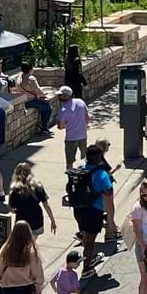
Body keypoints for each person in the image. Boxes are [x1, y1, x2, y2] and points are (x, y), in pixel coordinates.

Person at [73, 144, 115, 278]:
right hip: (94, 211)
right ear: (99, 158)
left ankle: (89, 259)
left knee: (86, 236)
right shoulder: (101, 174)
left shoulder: (80, 170)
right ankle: (86, 269)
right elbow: (109, 192)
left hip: (79, 210)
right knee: (90, 241)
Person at [0, 220, 45, 294]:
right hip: (24, 287)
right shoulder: (31, 251)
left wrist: (0, 279)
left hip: (7, 286)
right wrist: (39, 284)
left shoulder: (6, 248)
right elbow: (37, 270)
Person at [8, 162, 57, 236]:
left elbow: (12, 209)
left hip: (21, 220)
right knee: (32, 242)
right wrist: (52, 220)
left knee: (23, 242)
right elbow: (46, 204)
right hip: (36, 218)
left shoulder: (15, 189)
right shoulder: (38, 185)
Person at [57, 85, 90, 168]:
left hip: (71, 138)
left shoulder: (63, 109)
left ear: (66, 95)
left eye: (60, 95)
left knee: (69, 161)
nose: (59, 96)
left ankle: (70, 177)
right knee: (86, 159)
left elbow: (60, 126)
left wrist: (64, 125)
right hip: (83, 135)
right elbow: (87, 117)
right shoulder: (80, 102)